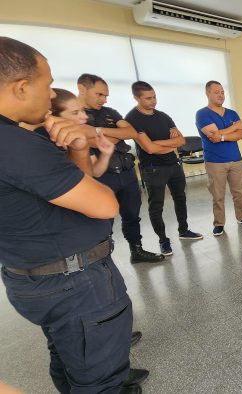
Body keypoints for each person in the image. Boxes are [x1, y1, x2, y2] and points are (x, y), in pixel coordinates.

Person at [0, 37, 142, 394]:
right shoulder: (15, 145)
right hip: (73, 283)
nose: (51, 96)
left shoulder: (18, 138)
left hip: (35, 278)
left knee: (67, 353)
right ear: (20, 87)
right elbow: (104, 204)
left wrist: (79, 147)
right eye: (46, 86)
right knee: (98, 380)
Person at [77, 73, 163, 263]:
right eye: (99, 94)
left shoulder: (110, 112)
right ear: (82, 89)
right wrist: (114, 135)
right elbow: (84, 138)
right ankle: (102, 259)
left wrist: (97, 132)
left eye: (106, 95)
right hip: (101, 175)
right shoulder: (75, 114)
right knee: (103, 220)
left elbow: (130, 132)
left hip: (126, 172)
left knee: (132, 215)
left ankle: (137, 250)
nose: (104, 99)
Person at [126, 81, 203, 256]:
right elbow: (149, 149)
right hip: (153, 168)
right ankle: (163, 240)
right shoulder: (132, 119)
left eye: (154, 96)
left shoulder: (163, 116)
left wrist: (158, 144)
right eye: (148, 98)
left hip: (173, 164)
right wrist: (167, 144)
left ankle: (183, 230)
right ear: (136, 98)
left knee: (180, 198)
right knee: (156, 206)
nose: (153, 101)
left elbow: (181, 141)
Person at [196, 80, 242, 236]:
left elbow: (240, 134)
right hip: (215, 161)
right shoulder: (202, 114)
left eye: (222, 92)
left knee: (239, 192)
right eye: (216, 92)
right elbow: (213, 135)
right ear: (207, 93)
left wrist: (222, 135)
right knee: (218, 195)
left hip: (235, 158)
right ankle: (219, 223)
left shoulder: (231, 113)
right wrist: (233, 127)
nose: (221, 95)